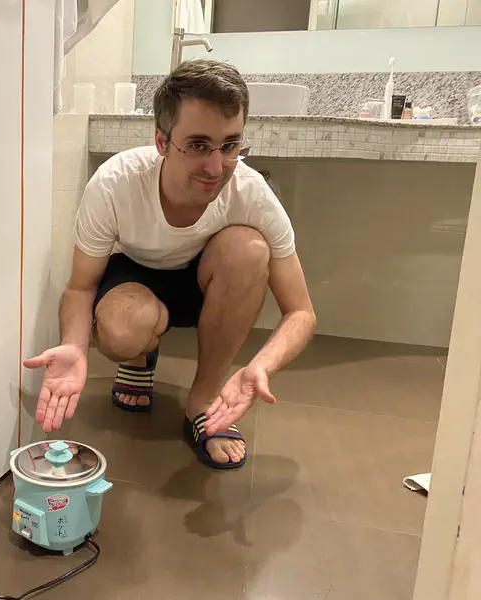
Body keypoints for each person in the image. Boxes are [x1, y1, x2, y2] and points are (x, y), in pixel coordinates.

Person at [24, 60, 316, 469]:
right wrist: (75, 345)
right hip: (136, 274)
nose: (216, 168)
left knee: (249, 248)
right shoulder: (116, 183)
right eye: (198, 145)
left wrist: (259, 366)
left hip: (204, 278)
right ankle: (139, 358)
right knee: (125, 330)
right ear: (162, 141)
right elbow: (81, 287)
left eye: (229, 146)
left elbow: (301, 311)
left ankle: (204, 400)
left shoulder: (252, 193)